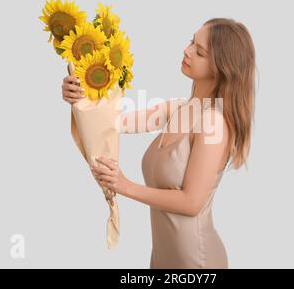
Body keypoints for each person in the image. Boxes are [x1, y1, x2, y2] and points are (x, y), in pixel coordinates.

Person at [61, 18, 256, 268]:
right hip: (162, 258)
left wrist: (125, 186)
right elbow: (113, 123)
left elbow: (191, 202)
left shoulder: (214, 123)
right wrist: (78, 96)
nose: (187, 51)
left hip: (197, 261)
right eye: (191, 42)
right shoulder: (176, 109)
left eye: (200, 52)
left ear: (221, 67)